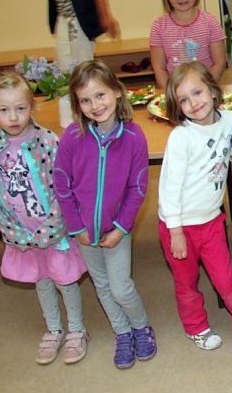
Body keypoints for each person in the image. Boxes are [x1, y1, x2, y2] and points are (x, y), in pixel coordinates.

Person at [0, 71, 89, 365]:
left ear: (31, 106)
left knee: (64, 280)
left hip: (53, 232)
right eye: (4, 110)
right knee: (41, 280)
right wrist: (13, 233)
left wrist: (50, 229)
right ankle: (53, 329)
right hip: (21, 235)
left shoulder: (48, 142)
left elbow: (63, 188)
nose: (13, 117)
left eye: (20, 108)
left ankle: (77, 330)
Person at [53, 60, 156, 370]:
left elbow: (137, 188)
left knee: (120, 286)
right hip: (83, 232)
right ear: (77, 104)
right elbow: (62, 184)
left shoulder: (134, 137)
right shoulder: (71, 137)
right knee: (102, 286)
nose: (95, 105)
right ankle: (122, 332)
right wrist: (76, 227)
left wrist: (121, 228)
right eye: (85, 100)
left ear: (117, 92)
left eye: (100, 95)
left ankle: (140, 326)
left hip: (116, 231)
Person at [158, 62, 232, 354]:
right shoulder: (181, 137)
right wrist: (175, 231)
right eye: (184, 100)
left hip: (212, 222)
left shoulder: (231, 120)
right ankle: (195, 327)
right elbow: (168, 190)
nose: (193, 103)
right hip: (177, 227)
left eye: (197, 92)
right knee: (186, 283)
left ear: (214, 92)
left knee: (225, 279)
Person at [149, 0, 227, 91]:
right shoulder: (158, 27)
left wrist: (203, 88)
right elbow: (159, 68)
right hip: (175, 92)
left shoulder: (210, 22)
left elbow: (219, 63)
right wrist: (172, 92)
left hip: (206, 89)